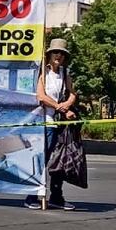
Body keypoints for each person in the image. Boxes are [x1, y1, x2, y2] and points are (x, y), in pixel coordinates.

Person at [31, 38, 77, 210]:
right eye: (56, 53)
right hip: (44, 122)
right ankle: (32, 195)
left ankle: (57, 197)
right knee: (41, 160)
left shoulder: (65, 73)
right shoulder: (42, 72)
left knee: (59, 162)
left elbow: (72, 93)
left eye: (62, 54)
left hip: (58, 124)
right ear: (49, 55)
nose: (59, 56)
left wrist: (67, 104)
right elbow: (41, 96)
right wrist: (61, 108)